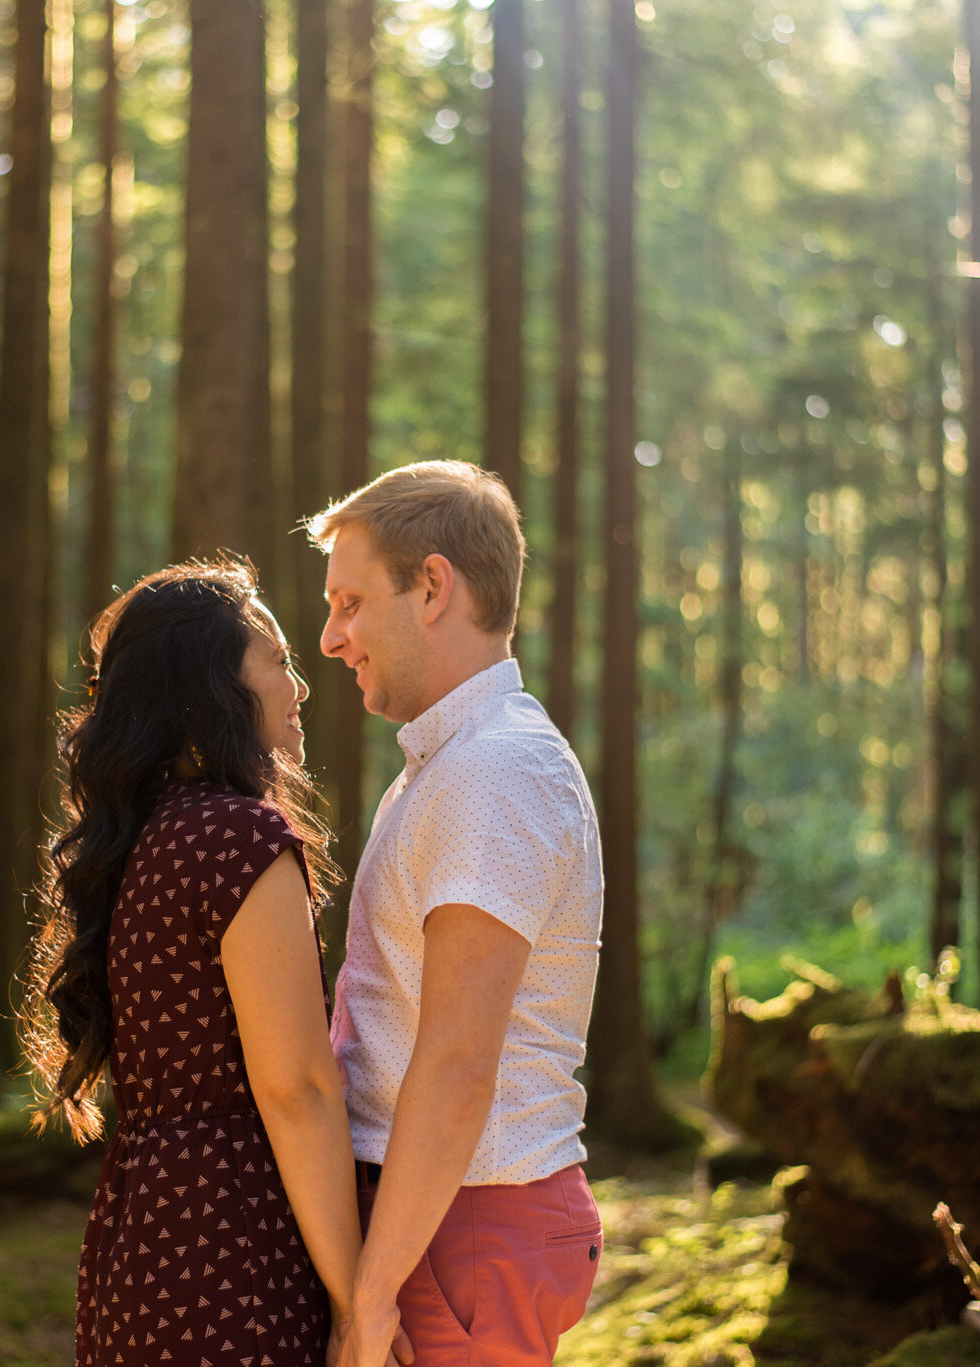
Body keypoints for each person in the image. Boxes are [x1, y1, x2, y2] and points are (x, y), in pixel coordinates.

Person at [24, 559, 376, 1367]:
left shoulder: (140, 841)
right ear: (211, 683)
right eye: (278, 660)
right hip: (234, 1246)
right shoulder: (241, 840)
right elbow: (297, 1087)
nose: (302, 686)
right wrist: (362, 1301)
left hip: (139, 1240)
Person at [311, 461, 606, 1367]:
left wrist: (370, 1299)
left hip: (463, 1220)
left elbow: (456, 1062)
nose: (330, 637)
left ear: (432, 586)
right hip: (440, 1217)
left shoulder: (493, 770)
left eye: (350, 602)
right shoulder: (452, 764)